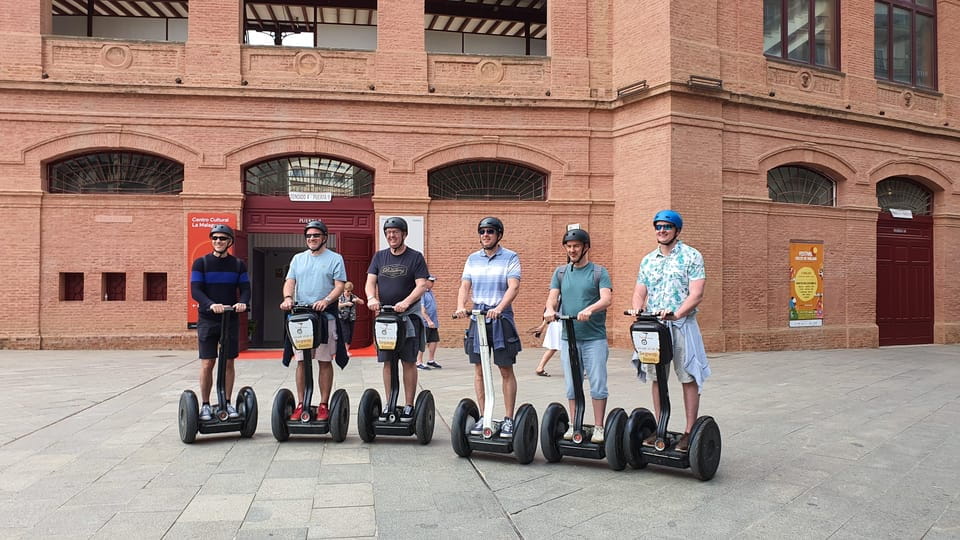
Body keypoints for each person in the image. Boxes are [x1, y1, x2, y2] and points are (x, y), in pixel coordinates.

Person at [631, 209, 710, 452]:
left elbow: (696, 294)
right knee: (657, 378)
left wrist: (677, 313)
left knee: (688, 376)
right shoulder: (648, 260)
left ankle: (689, 431)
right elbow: (639, 291)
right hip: (654, 327)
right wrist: (637, 309)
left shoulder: (691, 256)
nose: (662, 230)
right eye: (658, 227)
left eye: (667, 227)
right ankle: (660, 427)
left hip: (681, 325)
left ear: (677, 230)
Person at [454, 217, 522, 439]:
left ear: (499, 234)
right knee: (479, 369)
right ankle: (485, 416)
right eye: (482, 231)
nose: (485, 235)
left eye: (490, 231)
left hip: (500, 318)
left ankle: (509, 419)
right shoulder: (472, 259)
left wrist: (500, 307)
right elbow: (465, 285)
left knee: (505, 368)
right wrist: (460, 306)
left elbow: (513, 286)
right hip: (478, 317)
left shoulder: (510, 257)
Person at [543, 228, 612, 443]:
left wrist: (590, 309)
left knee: (598, 383)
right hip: (569, 337)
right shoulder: (561, 273)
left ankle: (599, 427)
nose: (572, 250)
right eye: (569, 246)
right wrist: (549, 310)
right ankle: (574, 424)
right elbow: (552, 297)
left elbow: (606, 298)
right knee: (572, 384)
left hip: (594, 339)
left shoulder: (599, 272)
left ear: (585, 247)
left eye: (576, 246)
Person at [280, 220, 346, 421]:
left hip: (323, 316)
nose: (312, 239)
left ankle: (324, 404)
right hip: (301, 316)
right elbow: (290, 282)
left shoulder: (335, 258)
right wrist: (288, 298)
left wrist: (326, 300)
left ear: (324, 237)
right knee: (301, 361)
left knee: (325, 361)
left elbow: (339, 286)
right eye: (308, 236)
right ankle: (301, 404)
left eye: (316, 235)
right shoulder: (298, 259)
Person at [365, 217, 430, 419]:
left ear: (404, 234)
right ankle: (389, 403)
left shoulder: (415, 257)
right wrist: (371, 297)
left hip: (407, 318)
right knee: (387, 362)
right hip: (386, 319)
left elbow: (422, 285)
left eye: (395, 232)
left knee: (408, 361)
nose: (391, 236)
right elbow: (370, 281)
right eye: (388, 233)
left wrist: (406, 302)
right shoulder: (379, 257)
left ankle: (409, 404)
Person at [190, 224, 251, 422]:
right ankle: (206, 404)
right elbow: (196, 290)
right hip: (208, 318)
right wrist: (211, 304)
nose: (218, 241)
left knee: (229, 361)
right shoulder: (201, 263)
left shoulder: (238, 265)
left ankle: (227, 401)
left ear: (230, 242)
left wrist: (242, 302)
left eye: (222, 238)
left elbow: (245, 289)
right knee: (208, 362)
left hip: (230, 318)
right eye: (215, 238)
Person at [417, 275, 442, 370]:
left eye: (433, 281)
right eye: (431, 281)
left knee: (434, 340)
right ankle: (419, 361)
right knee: (422, 342)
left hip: (433, 322)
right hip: (425, 322)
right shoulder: (422, 293)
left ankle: (431, 360)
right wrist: (428, 321)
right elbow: (422, 310)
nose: (433, 283)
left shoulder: (430, 292)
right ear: (425, 281)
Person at [337, 281, 364, 354]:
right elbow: (337, 305)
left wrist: (357, 300)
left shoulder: (353, 296)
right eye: (347, 291)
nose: (349, 293)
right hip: (343, 318)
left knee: (351, 334)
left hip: (351, 317)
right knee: (346, 333)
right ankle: (345, 350)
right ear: (344, 290)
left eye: (350, 291)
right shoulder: (340, 296)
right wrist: (346, 304)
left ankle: (347, 349)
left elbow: (362, 302)